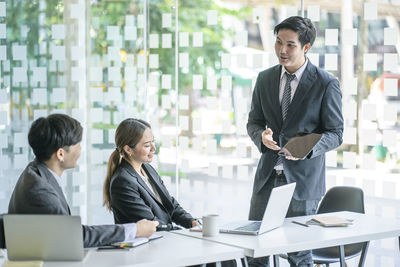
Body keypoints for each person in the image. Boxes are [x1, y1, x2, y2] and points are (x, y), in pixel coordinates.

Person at [247, 16, 344, 267]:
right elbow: (254, 122)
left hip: (302, 183)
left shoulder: (326, 83)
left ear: (306, 48)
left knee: (299, 254)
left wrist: (306, 148)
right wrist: (261, 136)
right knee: (256, 249)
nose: (282, 50)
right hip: (267, 177)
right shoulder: (265, 78)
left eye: (290, 44)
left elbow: (335, 133)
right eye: (278, 42)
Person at [8, 114, 159, 247]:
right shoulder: (39, 190)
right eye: (78, 144)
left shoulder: (35, 172)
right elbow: (75, 236)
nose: (81, 149)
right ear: (60, 154)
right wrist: (135, 230)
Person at [103, 118, 197, 230]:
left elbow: (169, 204)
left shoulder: (147, 168)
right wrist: (183, 233)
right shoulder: (123, 182)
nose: (154, 148)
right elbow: (151, 224)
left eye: (153, 141)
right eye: (147, 145)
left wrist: (192, 223)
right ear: (128, 149)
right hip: (146, 244)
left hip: (163, 239)